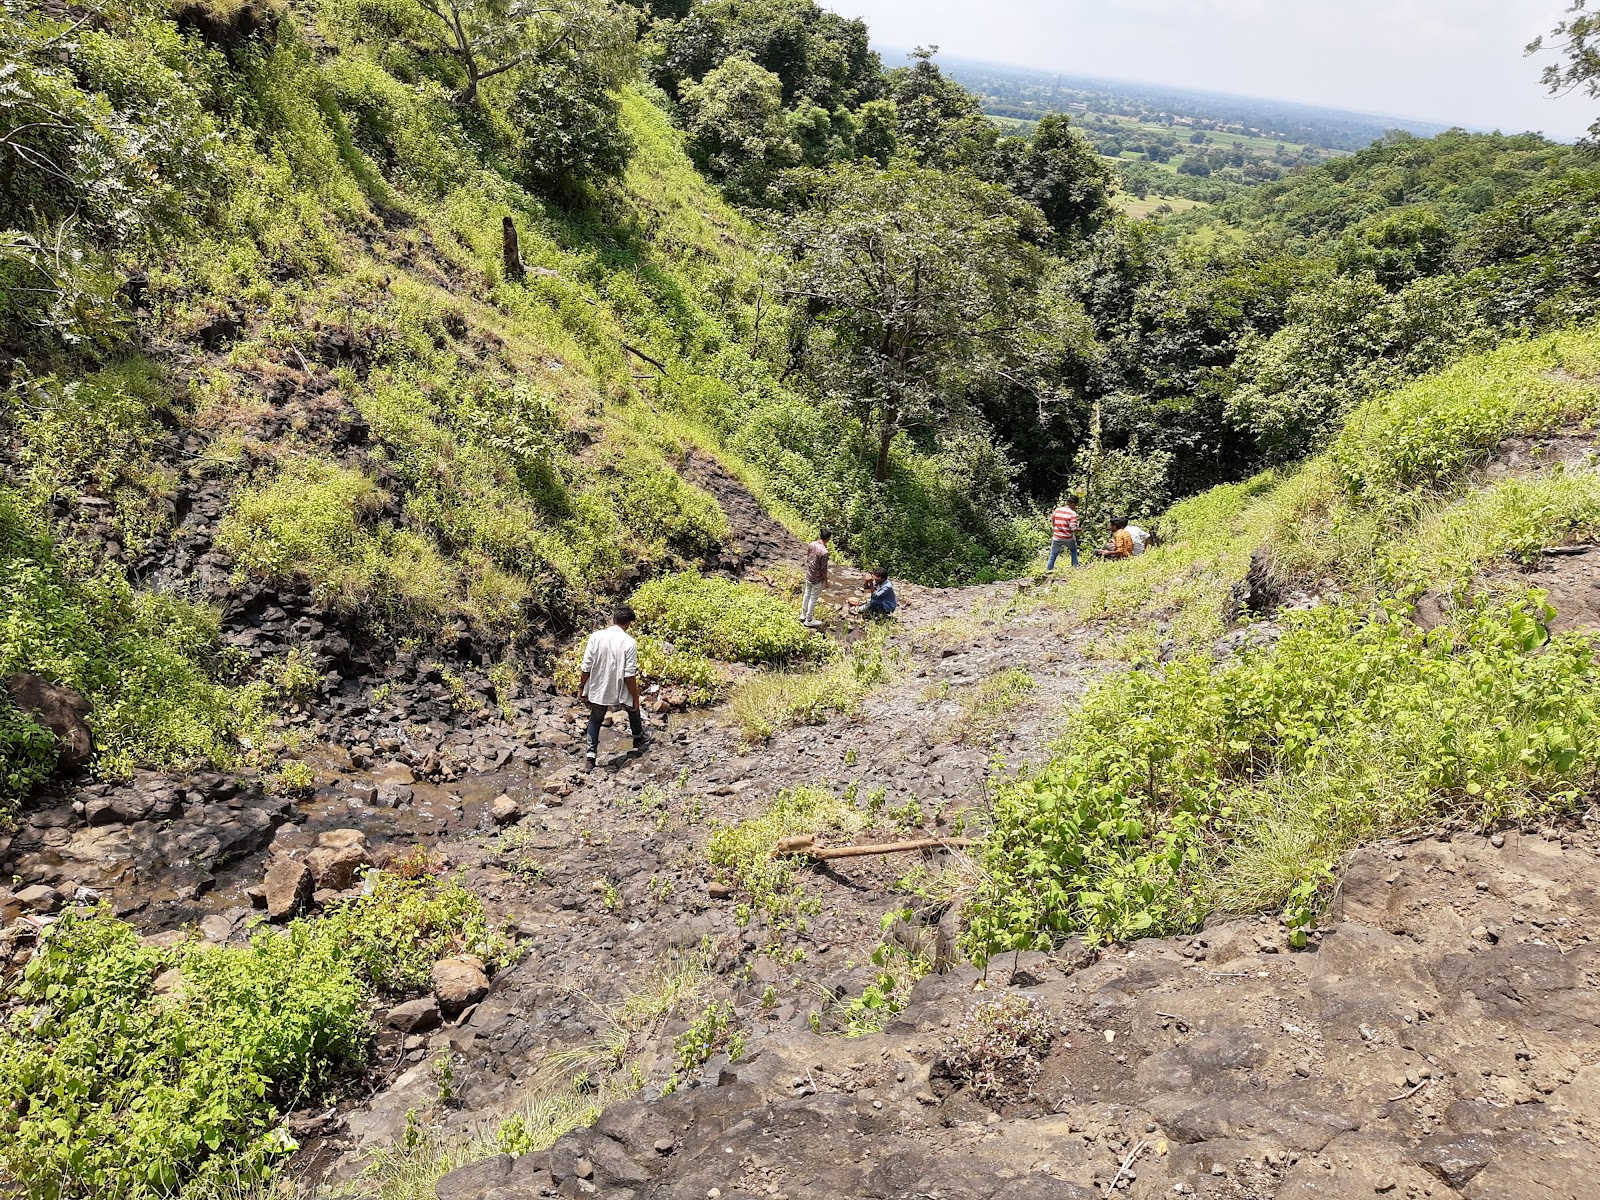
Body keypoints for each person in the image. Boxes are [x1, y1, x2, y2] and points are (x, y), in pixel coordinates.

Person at [578, 604, 649, 768]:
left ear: (613, 619)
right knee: (633, 708)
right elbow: (629, 675)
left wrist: (582, 687)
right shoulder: (629, 642)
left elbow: (586, 667)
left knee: (595, 719)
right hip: (620, 685)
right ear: (628, 623)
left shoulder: (595, 637)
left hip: (599, 686)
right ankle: (638, 738)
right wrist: (635, 697)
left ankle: (590, 757)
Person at [801, 526, 832, 627]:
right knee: (813, 598)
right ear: (828, 538)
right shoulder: (824, 552)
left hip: (809, 574)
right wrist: (826, 581)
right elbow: (823, 568)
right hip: (817, 578)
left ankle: (803, 614)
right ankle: (809, 619)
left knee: (807, 594)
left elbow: (808, 557)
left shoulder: (812, 544)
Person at [1046, 494, 1081, 571]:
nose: (1076, 507)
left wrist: (1055, 526)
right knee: (1073, 550)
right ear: (1073, 504)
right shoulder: (1073, 514)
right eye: (1076, 505)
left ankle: (1049, 569)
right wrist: (1079, 530)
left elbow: (1053, 520)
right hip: (1068, 538)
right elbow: (1072, 528)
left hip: (1057, 537)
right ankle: (1075, 566)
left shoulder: (1057, 510)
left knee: (1053, 554)